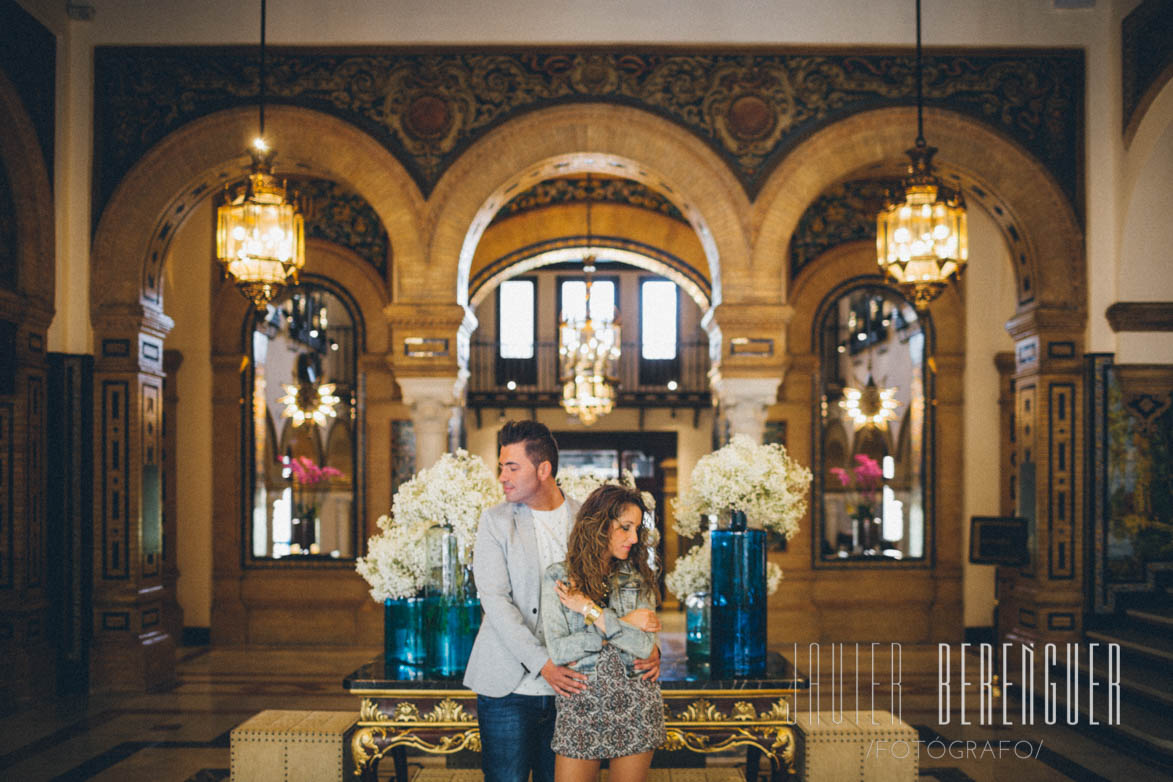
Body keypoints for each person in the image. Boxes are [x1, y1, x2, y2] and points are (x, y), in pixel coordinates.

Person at [464, 421, 661, 782]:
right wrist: (544, 664)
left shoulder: (588, 519)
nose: (502, 477)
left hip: (576, 685)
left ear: (543, 469)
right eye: (501, 467)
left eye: (512, 467)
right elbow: (495, 601)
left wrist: (647, 647)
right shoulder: (494, 521)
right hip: (509, 685)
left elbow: (619, 593)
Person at [541, 484, 666, 782]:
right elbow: (559, 651)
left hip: (635, 702)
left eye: (636, 529)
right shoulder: (558, 578)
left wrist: (591, 611)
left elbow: (644, 647)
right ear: (598, 525)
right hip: (580, 705)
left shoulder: (638, 579)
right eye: (625, 527)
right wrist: (625, 622)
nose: (634, 538)